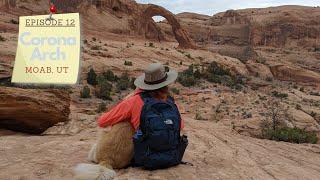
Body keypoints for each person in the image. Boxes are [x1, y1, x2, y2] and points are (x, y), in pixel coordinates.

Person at [74, 63, 187, 180]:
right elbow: (180, 126)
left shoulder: (134, 100)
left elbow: (102, 122)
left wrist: (125, 110)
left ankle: (104, 160)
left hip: (142, 155)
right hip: (170, 153)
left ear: (144, 84)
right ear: (166, 83)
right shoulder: (170, 102)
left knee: (124, 123)